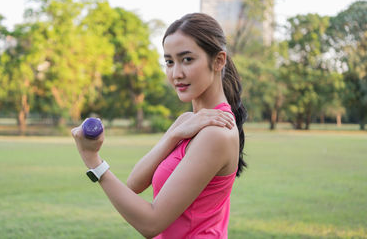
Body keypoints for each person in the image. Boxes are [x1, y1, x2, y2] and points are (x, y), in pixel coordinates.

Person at [71, 12, 247, 238]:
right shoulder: (187, 122)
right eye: (169, 62)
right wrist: (173, 136)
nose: (176, 74)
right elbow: (134, 184)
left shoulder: (216, 133)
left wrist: (92, 160)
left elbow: (151, 223)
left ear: (218, 61)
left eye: (187, 59)